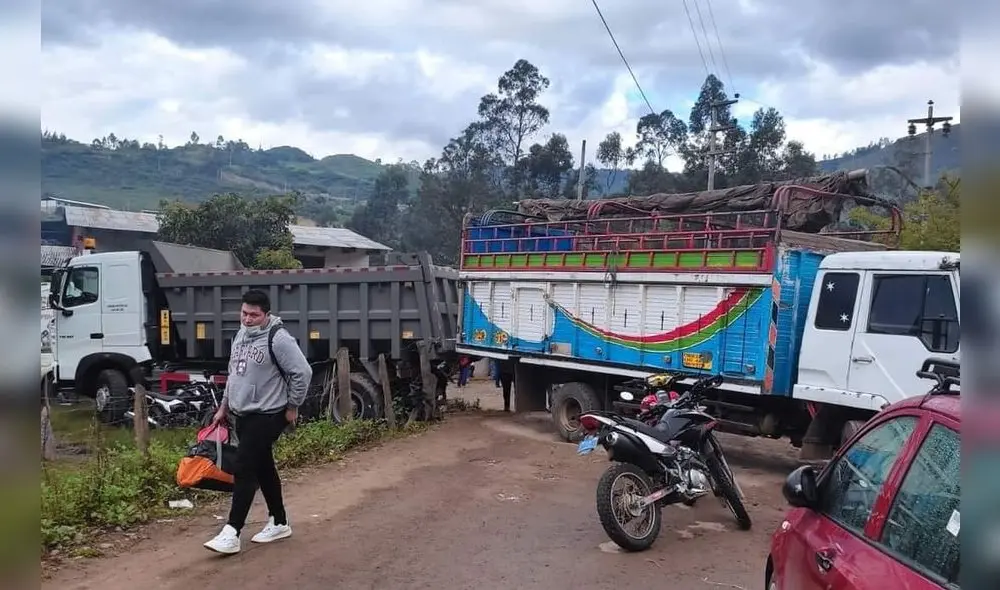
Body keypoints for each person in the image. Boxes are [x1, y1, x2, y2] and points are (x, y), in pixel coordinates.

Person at [203, 290, 313, 555]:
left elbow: (302, 372)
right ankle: (279, 521)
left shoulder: (278, 338)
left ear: (266, 315)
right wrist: (224, 406)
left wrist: (292, 407)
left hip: (268, 413)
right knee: (263, 466)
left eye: (254, 315)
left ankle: (232, 531)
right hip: (243, 413)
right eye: (244, 313)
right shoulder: (240, 335)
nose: (248, 319)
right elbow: (234, 374)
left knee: (244, 467)